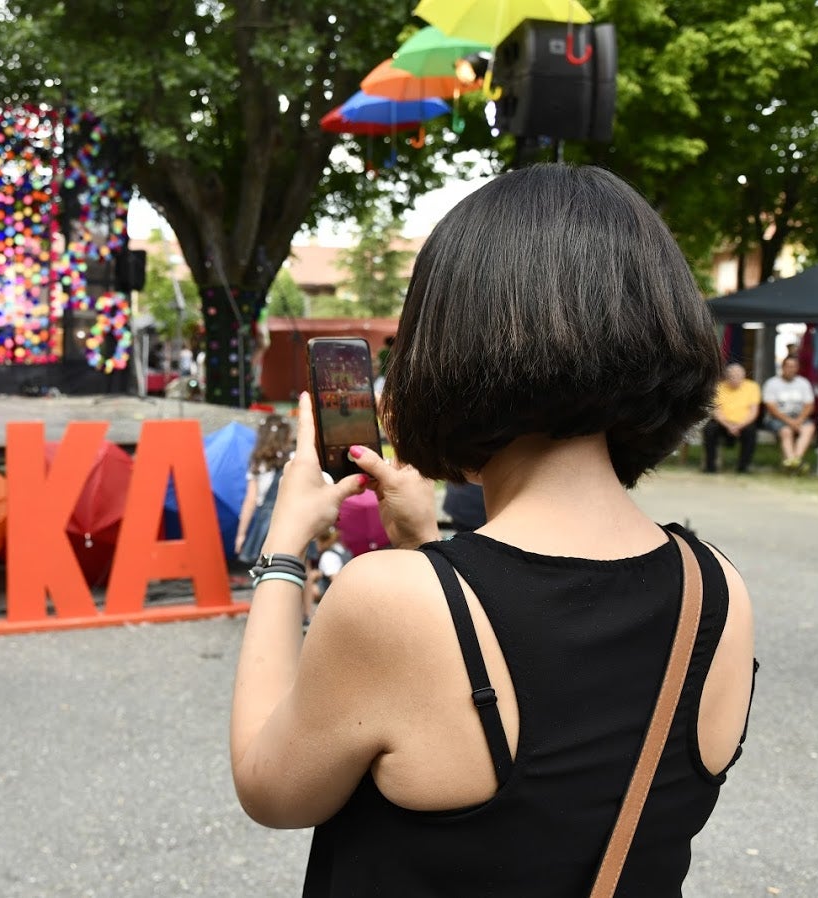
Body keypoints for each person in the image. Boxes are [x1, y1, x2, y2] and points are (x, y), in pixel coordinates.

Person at [230, 165, 756, 896]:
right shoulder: (715, 588)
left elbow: (270, 788)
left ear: (447, 345)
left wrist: (283, 552)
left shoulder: (388, 601)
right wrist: (427, 544)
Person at [235, 414, 295, 566]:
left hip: (267, 525)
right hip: (294, 520)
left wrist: (241, 534)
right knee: (299, 568)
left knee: (268, 567)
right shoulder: (294, 458)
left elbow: (250, 501)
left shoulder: (259, 462)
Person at [702, 362, 761, 474]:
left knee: (751, 432)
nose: (735, 378)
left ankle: (743, 467)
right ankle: (710, 466)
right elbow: (716, 411)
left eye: (738, 376)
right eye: (732, 376)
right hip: (723, 423)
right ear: (727, 376)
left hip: (743, 423)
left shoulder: (752, 387)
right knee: (709, 429)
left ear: (743, 376)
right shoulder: (719, 387)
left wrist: (739, 426)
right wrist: (729, 426)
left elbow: (754, 412)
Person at [761, 355, 816, 472]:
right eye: (788, 366)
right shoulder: (772, 383)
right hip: (777, 418)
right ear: (783, 367)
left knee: (809, 428)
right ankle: (794, 463)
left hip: (798, 417)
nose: (791, 369)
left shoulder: (803, 383)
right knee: (786, 431)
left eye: (794, 366)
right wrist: (790, 422)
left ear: (797, 368)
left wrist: (799, 420)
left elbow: (809, 405)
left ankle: (794, 461)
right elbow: (771, 408)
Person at [302, 526, 351, 623]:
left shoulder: (327, 556)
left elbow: (335, 579)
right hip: (347, 583)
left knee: (310, 587)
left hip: (328, 589)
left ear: (323, 542)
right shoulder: (342, 549)